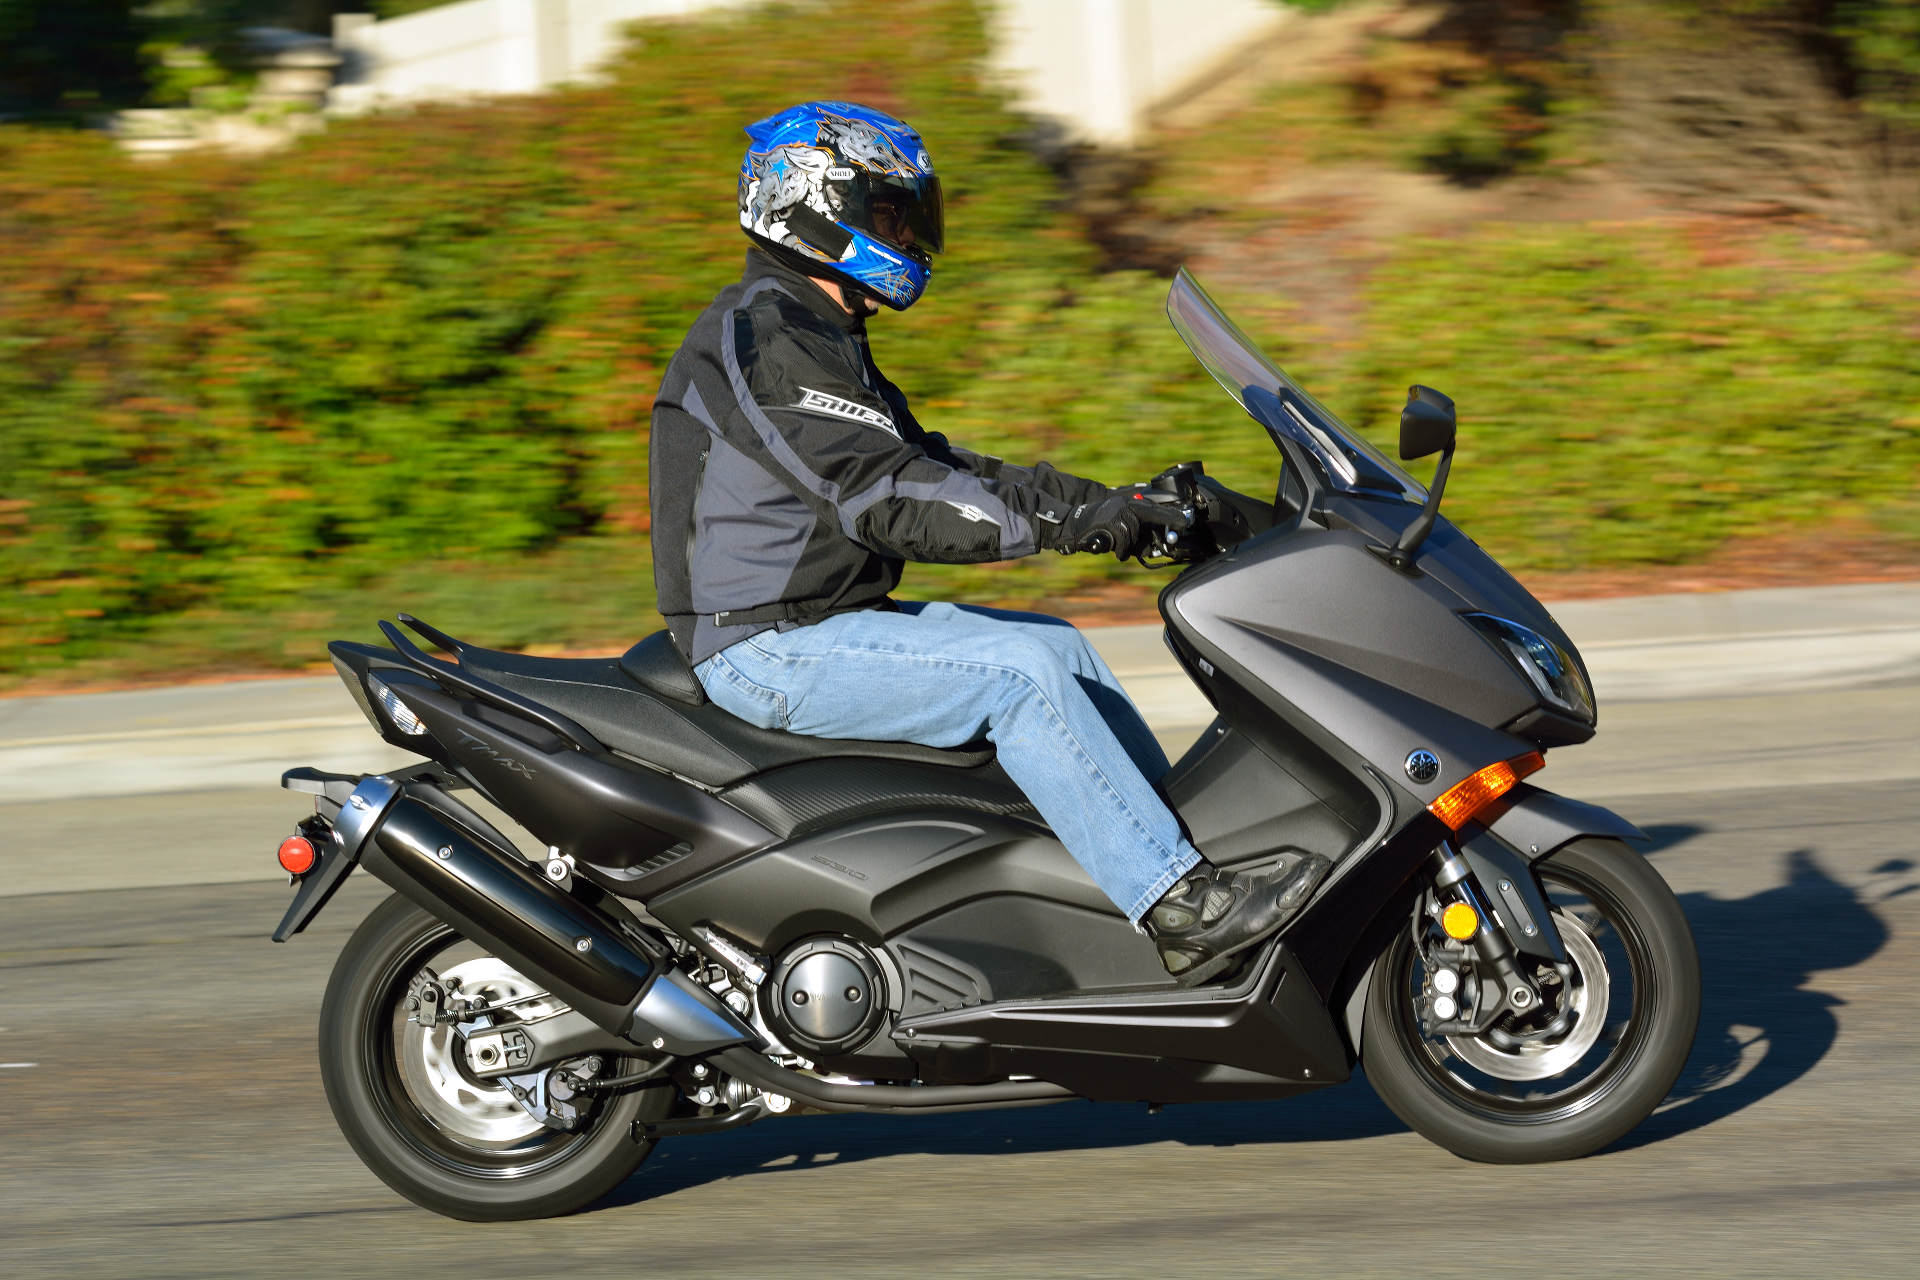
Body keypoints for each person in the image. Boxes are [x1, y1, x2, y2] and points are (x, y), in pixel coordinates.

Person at [648, 101, 1329, 986]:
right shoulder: (768, 338)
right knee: (1021, 677)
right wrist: (1070, 527)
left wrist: (1113, 505)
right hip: (767, 644)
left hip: (824, 619)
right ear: (815, 206)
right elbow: (888, 498)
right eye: (889, 215)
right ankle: (1179, 906)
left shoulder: (813, 329)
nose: (908, 236)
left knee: (1063, 648)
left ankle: (1165, 850)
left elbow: (934, 464)